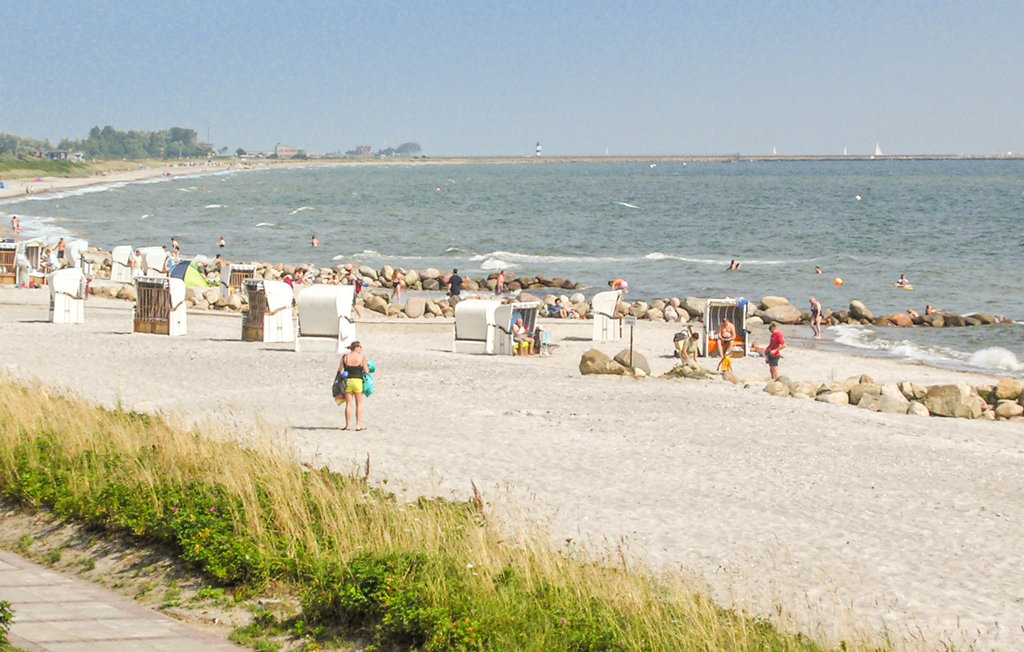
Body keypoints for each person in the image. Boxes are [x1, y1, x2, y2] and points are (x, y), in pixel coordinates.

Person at [339, 341, 370, 430]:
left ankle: (348, 425)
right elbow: (367, 371)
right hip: (358, 382)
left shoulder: (345, 357)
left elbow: (340, 370)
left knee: (349, 404)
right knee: (359, 404)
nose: (361, 349)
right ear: (357, 347)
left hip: (348, 381)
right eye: (360, 347)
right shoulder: (362, 357)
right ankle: (358, 425)